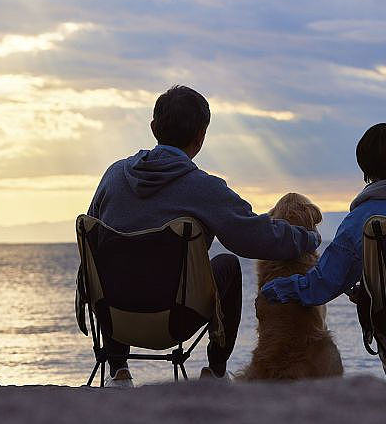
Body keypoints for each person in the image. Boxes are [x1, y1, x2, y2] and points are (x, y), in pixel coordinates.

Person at [85, 85, 320, 386]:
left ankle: (118, 368)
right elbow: (256, 236)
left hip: (113, 316)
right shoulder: (203, 188)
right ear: (201, 136)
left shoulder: (114, 175)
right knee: (227, 265)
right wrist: (308, 238)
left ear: (154, 128)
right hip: (175, 319)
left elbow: (91, 241)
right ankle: (215, 371)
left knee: (110, 256)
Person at [260, 123, 386, 381]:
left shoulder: (361, 219)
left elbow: (323, 284)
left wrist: (279, 288)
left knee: (384, 299)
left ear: (365, 164)